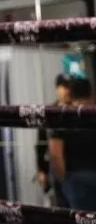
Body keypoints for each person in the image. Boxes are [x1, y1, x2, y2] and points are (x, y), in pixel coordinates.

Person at [48, 77, 96, 211]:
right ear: (92, 93)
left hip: (75, 177)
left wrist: (65, 181)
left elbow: (55, 154)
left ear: (71, 94)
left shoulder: (64, 117)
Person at [34, 75, 71, 206]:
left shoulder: (77, 110)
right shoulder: (49, 112)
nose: (67, 91)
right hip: (57, 167)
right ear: (57, 89)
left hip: (75, 165)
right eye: (64, 87)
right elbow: (40, 145)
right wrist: (41, 170)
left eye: (69, 87)